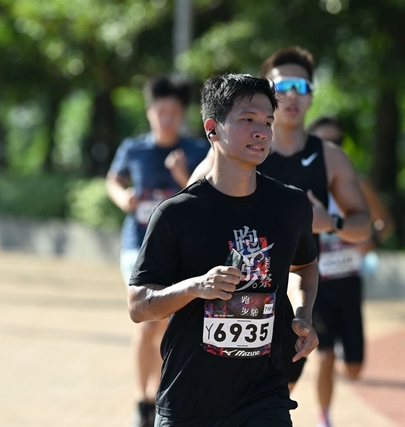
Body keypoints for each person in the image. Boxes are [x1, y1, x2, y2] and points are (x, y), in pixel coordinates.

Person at [127, 73, 320, 427]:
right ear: (212, 128)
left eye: (267, 122)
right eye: (248, 120)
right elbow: (138, 305)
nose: (261, 131)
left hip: (264, 397)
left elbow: (306, 265)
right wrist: (195, 287)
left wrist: (304, 314)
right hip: (189, 400)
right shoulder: (177, 213)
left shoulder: (290, 205)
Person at [188, 47, 372, 397]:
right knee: (225, 397)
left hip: (296, 295)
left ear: (311, 96)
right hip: (235, 295)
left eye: (301, 87)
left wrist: (330, 222)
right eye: (282, 86)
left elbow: (363, 223)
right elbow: (188, 205)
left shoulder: (330, 157)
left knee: (276, 395)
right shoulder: (237, 148)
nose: (292, 95)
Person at [106, 75, 209, 427]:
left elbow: (206, 195)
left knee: (165, 321)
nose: (167, 119)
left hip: (179, 250)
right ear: (149, 112)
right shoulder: (133, 149)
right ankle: (143, 401)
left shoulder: (196, 150)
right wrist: (123, 198)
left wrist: (182, 176)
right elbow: (113, 179)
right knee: (147, 317)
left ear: (183, 114)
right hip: (137, 246)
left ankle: (158, 394)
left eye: (174, 112)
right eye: (160, 111)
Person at [307, 116, 394, 427]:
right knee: (326, 355)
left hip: (349, 283)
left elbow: (385, 223)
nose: (329, 148)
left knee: (354, 368)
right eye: (321, 143)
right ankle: (324, 418)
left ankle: (342, 367)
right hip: (316, 285)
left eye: (336, 142)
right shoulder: (302, 188)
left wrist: (370, 239)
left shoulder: (358, 185)